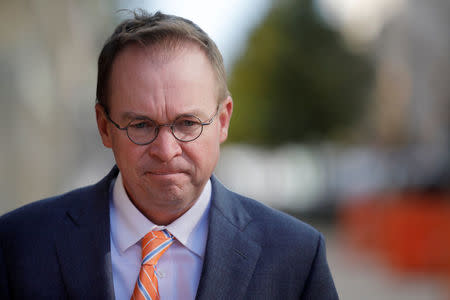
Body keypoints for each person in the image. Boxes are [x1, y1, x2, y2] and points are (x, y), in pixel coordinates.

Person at [0, 10, 338, 300]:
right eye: (142, 125)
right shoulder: (18, 245)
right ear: (104, 127)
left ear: (222, 122)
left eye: (187, 123)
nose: (166, 150)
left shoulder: (296, 258)